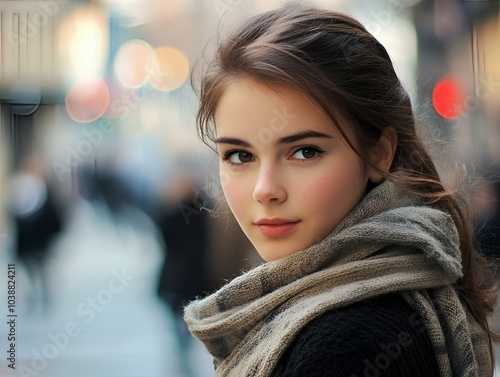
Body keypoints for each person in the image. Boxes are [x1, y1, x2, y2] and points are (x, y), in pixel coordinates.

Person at [183, 4, 497, 376]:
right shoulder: (370, 302)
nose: (265, 190)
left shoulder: (346, 344)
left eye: (304, 152)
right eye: (239, 155)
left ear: (379, 152)